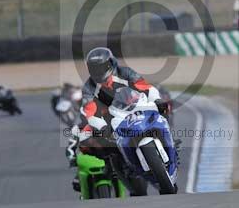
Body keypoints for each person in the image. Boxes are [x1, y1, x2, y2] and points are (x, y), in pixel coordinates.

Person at [66, 47, 170, 194]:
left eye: (101, 67)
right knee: (86, 137)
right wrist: (102, 127)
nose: (98, 71)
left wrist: (157, 100)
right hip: (110, 120)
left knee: (161, 114)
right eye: (94, 68)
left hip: (134, 109)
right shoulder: (89, 87)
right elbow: (89, 111)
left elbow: (145, 87)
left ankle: (169, 146)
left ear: (110, 63)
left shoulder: (125, 73)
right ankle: (110, 168)